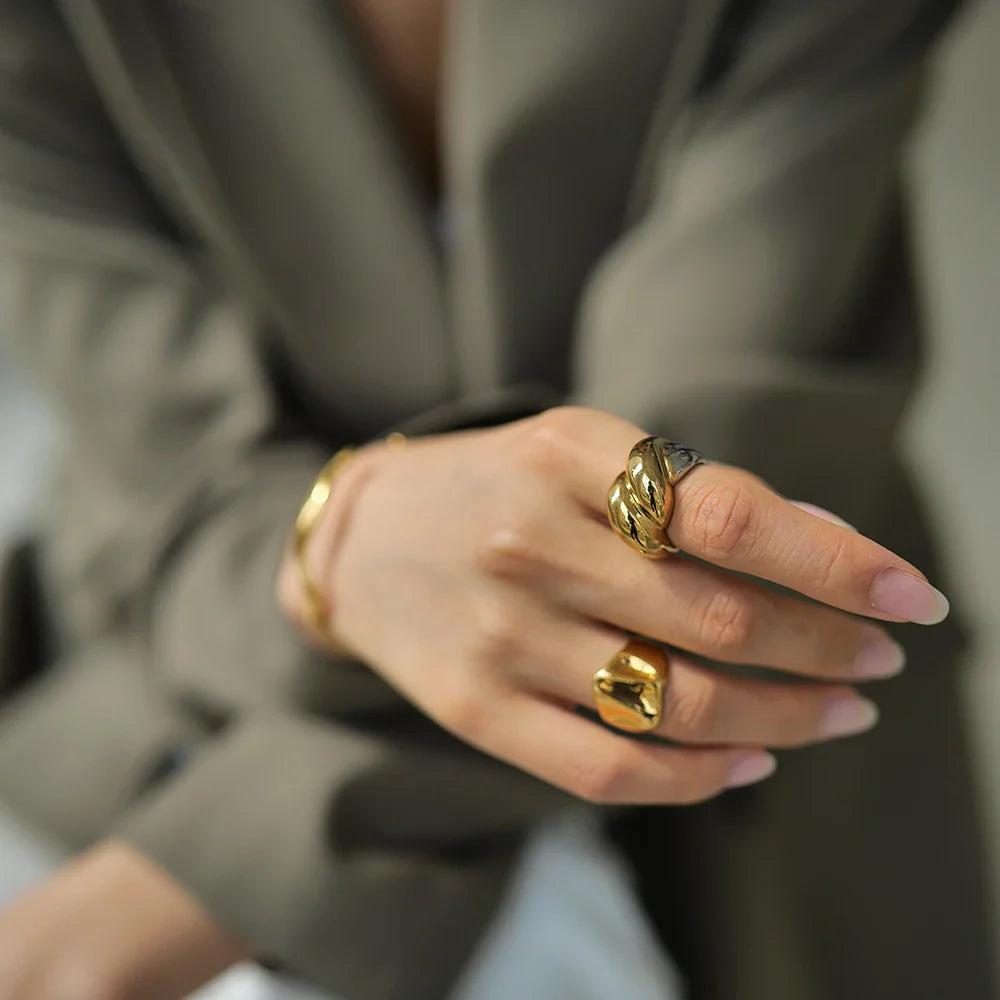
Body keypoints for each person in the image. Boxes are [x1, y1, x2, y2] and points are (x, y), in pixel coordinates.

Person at [0, 0, 993, 998]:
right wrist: (338, 544)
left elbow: (707, 484)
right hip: (177, 711)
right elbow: (168, 482)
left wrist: (227, 862)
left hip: (762, 802)